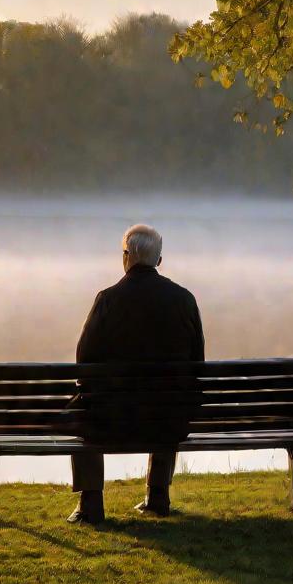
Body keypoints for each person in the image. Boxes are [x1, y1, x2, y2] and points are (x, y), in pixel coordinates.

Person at [68, 224, 205, 525]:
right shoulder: (184, 300)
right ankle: (157, 496)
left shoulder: (107, 300)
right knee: (171, 397)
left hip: (111, 421)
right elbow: (197, 364)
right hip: (168, 421)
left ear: (126, 258)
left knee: (82, 407)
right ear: (159, 261)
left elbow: (83, 362)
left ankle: (90, 503)